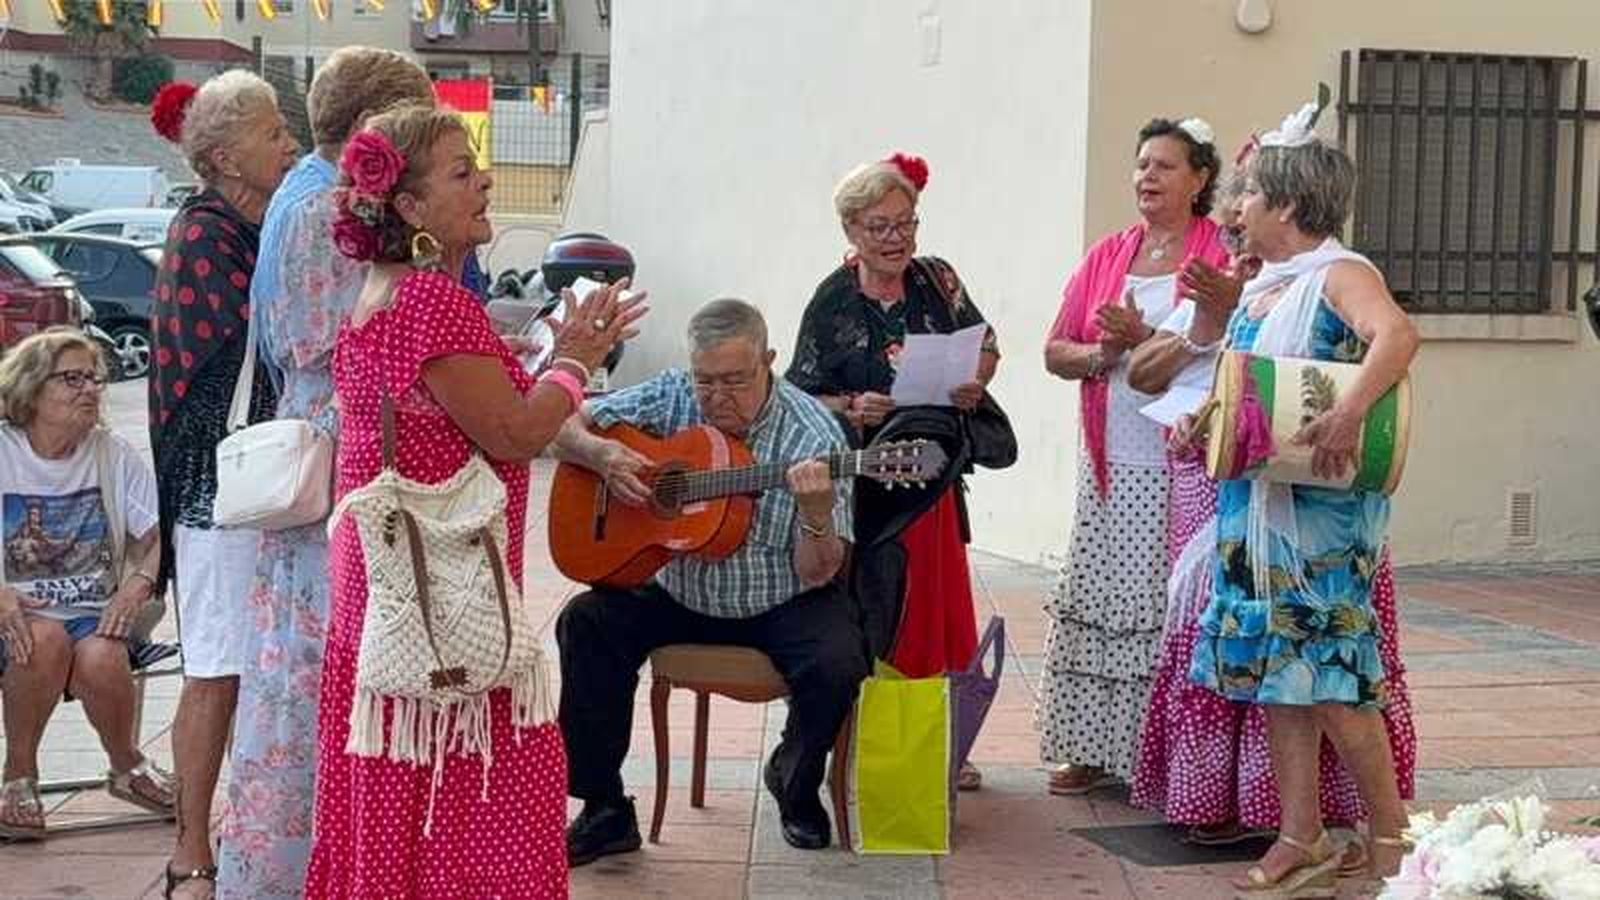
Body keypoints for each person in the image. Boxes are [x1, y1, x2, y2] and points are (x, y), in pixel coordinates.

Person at [303, 103, 639, 898]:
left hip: (384, 585)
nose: (485, 180)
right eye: (462, 171)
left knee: (396, 783)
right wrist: (577, 360)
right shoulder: (434, 302)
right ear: (410, 208)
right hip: (445, 596)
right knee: (479, 788)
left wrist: (524, 360)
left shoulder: (381, 293)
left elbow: (451, 406)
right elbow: (517, 434)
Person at [1126, 150, 1417, 853]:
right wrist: (1205, 421)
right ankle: (1301, 837)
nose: (1236, 208)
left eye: (1249, 193)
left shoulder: (1340, 275)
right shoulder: (1265, 289)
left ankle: (1391, 839)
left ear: (1286, 207)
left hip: (1317, 521)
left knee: (1330, 680)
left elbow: (1398, 336)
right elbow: (1250, 389)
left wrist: (1349, 411)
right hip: (1251, 515)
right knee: (1275, 679)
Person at [217, 48, 435, 899]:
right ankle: (327, 868)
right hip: (342, 444)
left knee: (296, 672)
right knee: (331, 672)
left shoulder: (294, 196)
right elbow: (356, 341)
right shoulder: (333, 209)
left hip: (313, 437)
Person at [556, 298, 867, 861]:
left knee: (839, 658)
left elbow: (817, 569)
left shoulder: (814, 435)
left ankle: (793, 783)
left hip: (780, 599)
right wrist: (601, 454)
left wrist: (817, 514)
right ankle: (604, 808)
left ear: (769, 362)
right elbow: (562, 421)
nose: (717, 398)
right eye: (706, 382)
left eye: (735, 381)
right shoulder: (673, 392)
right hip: (678, 590)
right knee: (586, 623)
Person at [785, 152, 998, 790]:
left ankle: (939, 744)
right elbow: (797, 395)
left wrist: (972, 381)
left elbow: (986, 346)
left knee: (938, 607)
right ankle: (870, 741)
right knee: (880, 608)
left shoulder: (939, 280)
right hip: (866, 485)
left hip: (933, 471)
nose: (897, 238)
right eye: (880, 226)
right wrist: (851, 407)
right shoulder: (833, 299)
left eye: (906, 223)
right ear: (850, 231)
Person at [1039, 118, 1228, 795]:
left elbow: (1223, 347)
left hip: (1185, 463)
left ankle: (1166, 757)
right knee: (1103, 596)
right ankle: (1092, 748)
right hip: (1111, 459)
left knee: (1166, 603)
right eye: (1142, 164)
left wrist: (1145, 336)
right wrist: (1105, 354)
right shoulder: (1108, 254)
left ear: (1200, 179)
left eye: (1166, 166)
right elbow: (1056, 348)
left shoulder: (1218, 254)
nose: (1147, 177)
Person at [146, 70, 298, 899]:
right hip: (218, 492)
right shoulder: (205, 235)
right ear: (225, 158)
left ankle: (242, 837)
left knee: (254, 667)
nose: (289, 144)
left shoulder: (261, 224)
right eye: (273, 132)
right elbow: (248, 353)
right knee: (216, 668)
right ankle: (189, 850)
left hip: (262, 487)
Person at [0, 329, 174, 840]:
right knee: (42, 641)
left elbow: (157, 536)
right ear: (31, 387)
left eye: (94, 378)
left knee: (101, 656)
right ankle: (19, 776)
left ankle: (127, 766)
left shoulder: (110, 453)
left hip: (95, 612)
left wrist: (137, 585)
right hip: (15, 614)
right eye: (71, 378)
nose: (89, 390)